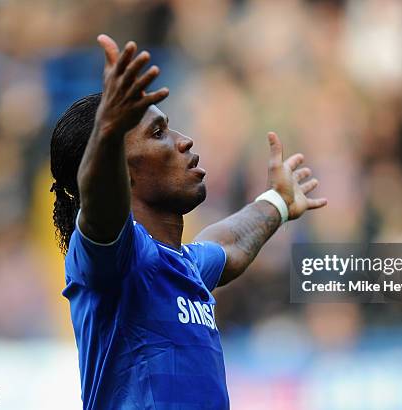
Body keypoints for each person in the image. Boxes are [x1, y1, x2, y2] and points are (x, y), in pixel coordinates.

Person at [49, 34, 327, 410]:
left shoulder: (185, 266)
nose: (184, 141)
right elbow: (99, 203)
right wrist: (109, 132)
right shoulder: (113, 261)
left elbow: (231, 242)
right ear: (123, 173)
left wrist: (277, 201)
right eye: (158, 133)